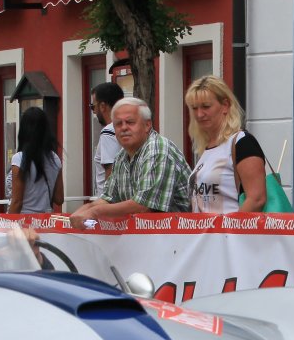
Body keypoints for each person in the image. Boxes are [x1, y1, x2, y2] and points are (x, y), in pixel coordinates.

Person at [68, 98, 190, 229]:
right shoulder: (121, 156)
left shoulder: (157, 149)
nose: (124, 127)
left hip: (180, 237)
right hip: (150, 237)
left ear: (147, 125)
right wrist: (84, 210)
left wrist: (94, 212)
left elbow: (144, 206)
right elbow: (108, 199)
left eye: (130, 122)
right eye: (118, 124)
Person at [185, 75, 267, 214]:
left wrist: (229, 226)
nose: (199, 114)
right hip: (206, 228)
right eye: (194, 108)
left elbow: (257, 199)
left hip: (232, 227)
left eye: (206, 106)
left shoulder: (242, 142)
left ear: (225, 105)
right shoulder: (206, 148)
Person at [6, 107, 64, 215]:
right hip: (46, 220)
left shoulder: (19, 158)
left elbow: (17, 202)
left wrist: (8, 223)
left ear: (24, 130)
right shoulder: (54, 159)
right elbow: (59, 198)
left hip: (24, 219)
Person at [90, 81, 124, 197]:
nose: (94, 112)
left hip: (110, 202)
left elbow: (110, 173)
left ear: (103, 106)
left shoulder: (109, 132)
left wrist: (106, 202)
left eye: (93, 107)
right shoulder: (127, 130)